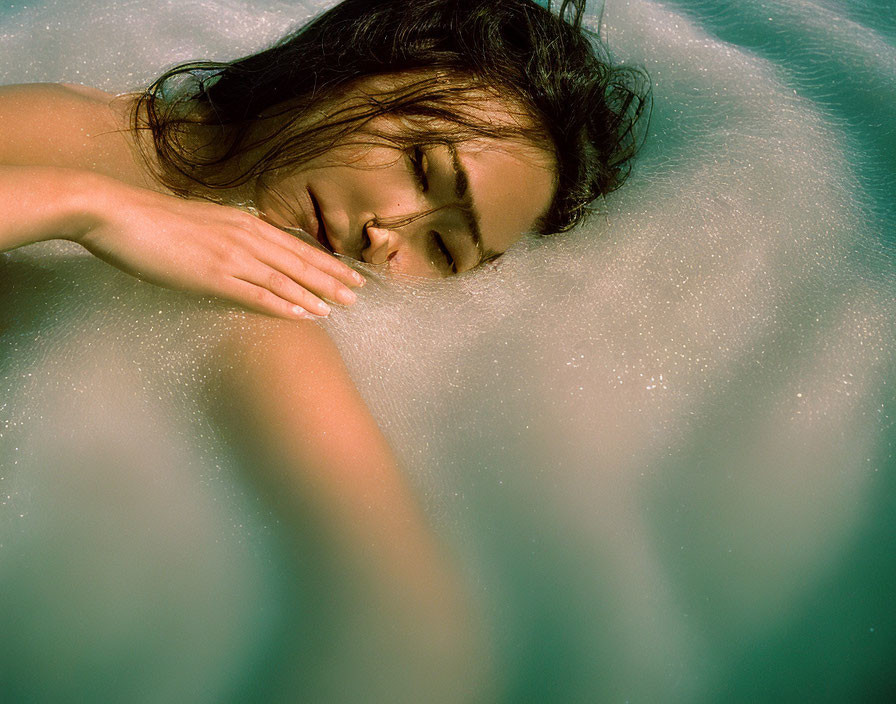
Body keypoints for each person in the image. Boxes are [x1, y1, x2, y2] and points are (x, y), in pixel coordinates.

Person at [0, 0, 649, 698]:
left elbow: (419, 629)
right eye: (423, 168)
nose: (386, 234)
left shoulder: (258, 313)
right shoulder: (83, 128)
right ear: (359, 66)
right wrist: (91, 207)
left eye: (442, 246)